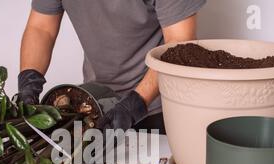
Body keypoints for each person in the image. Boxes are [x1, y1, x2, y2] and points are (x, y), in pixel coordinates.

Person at [19, 0, 206, 133]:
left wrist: (136, 104)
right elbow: (41, 28)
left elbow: (179, 42)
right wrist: (29, 80)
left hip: (159, 107)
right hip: (96, 103)